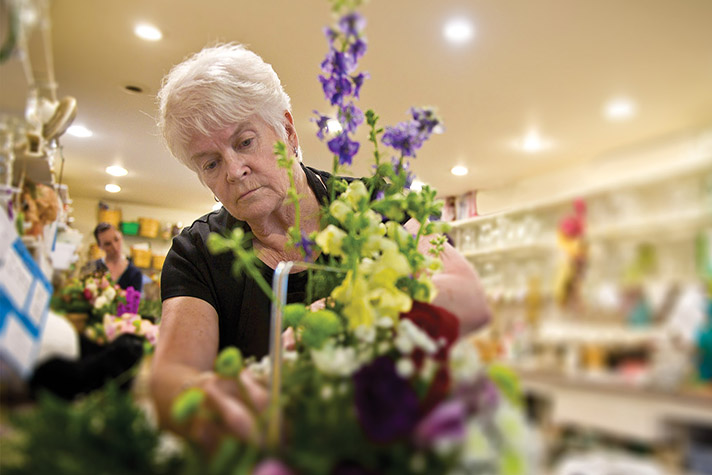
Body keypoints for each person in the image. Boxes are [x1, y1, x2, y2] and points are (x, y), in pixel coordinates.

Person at [150, 43, 491, 448]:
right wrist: (209, 402)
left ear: (288, 132)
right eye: (210, 163)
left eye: (244, 142)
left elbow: (470, 299)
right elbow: (171, 379)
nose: (234, 170)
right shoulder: (197, 252)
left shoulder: (374, 203)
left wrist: (343, 315)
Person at [92, 222, 143, 292]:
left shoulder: (134, 274)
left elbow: (135, 301)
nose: (115, 247)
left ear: (121, 236)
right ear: (100, 246)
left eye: (116, 239)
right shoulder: (93, 268)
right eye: (107, 244)